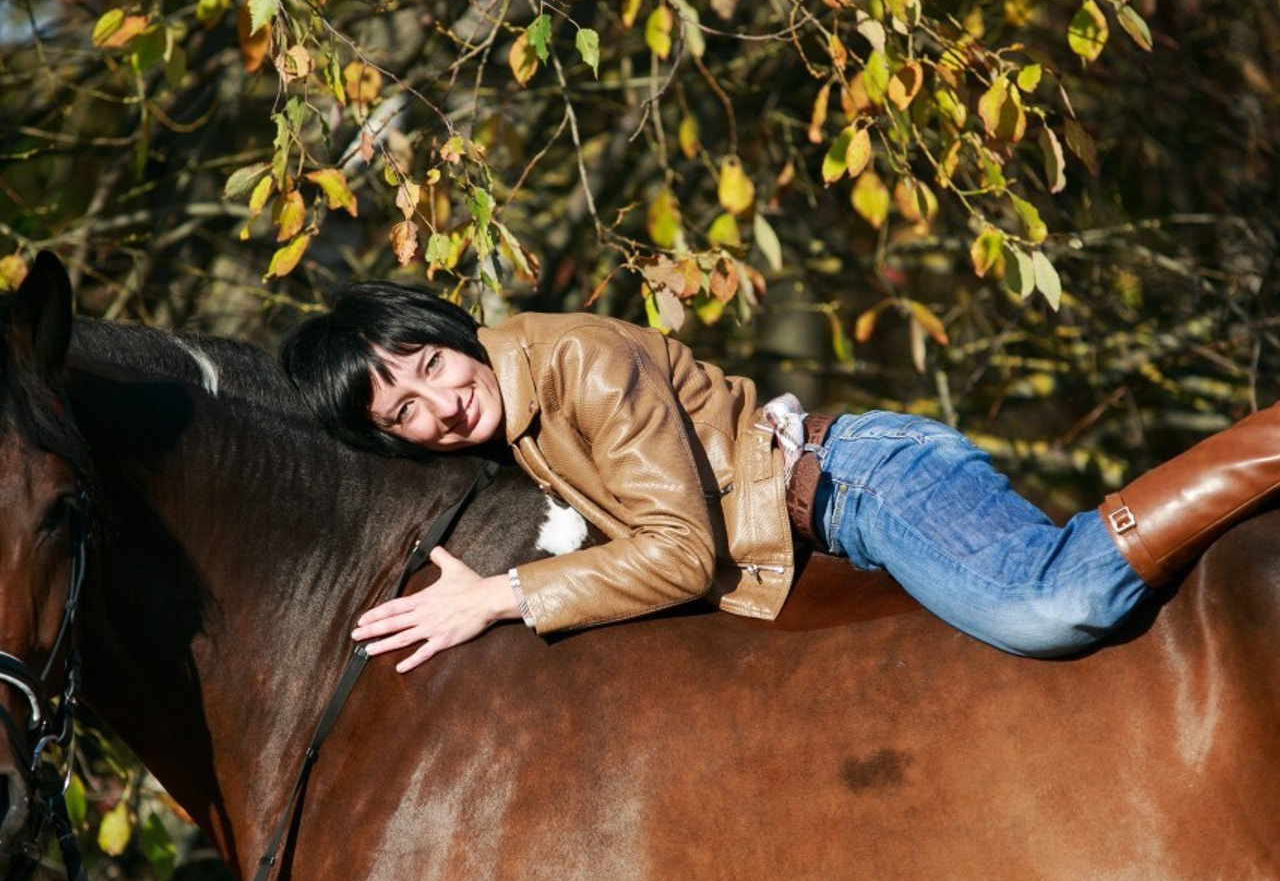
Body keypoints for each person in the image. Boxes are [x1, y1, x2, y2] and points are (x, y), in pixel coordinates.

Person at [279, 280, 1280, 672]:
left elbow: (680, 554)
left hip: (857, 481)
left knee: (1050, 606)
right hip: (820, 514)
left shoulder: (574, 359)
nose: (441, 404)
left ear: (451, 332)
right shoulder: (515, 424)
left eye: (430, 365)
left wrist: (499, 596)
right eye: (404, 414)